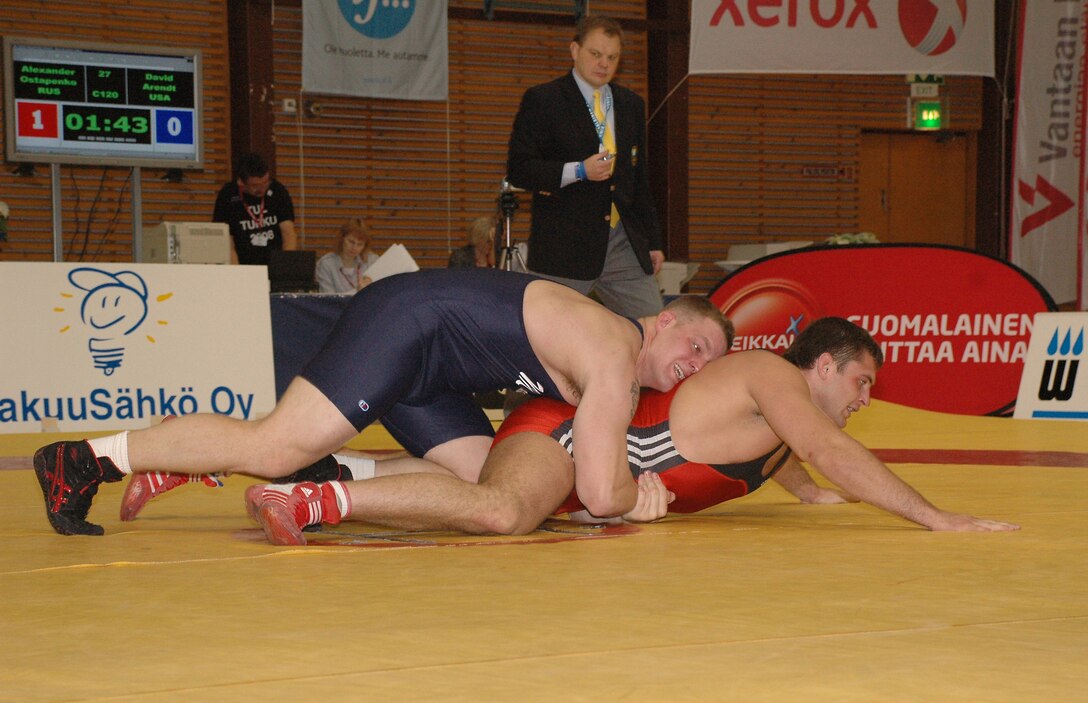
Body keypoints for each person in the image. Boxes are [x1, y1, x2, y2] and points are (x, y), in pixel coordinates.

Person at [33, 268, 732, 537]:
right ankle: (84, 457)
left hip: (432, 368)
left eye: (708, 365)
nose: (694, 366)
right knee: (277, 441)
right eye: (697, 344)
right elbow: (596, 488)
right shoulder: (615, 350)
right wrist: (636, 499)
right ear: (665, 317)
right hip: (408, 324)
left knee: (491, 482)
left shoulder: (616, 353)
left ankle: (323, 478)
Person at [246, 318, 1018, 545]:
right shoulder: (778, 379)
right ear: (820, 364)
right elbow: (828, 445)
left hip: (589, 459)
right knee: (501, 511)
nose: (865, 400)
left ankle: (331, 472)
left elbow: (793, 456)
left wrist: (809, 494)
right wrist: (931, 514)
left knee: (488, 496)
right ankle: (314, 500)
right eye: (861, 382)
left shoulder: (780, 417)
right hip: (575, 436)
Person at [506, 15, 664, 318]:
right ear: (574, 50)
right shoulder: (544, 100)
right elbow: (520, 169)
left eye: (612, 57)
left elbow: (639, 179)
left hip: (623, 241)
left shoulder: (631, 105)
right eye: (596, 54)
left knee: (654, 327)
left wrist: (653, 242)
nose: (604, 63)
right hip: (566, 245)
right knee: (550, 335)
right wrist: (579, 171)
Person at [212, 152, 298, 266]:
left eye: (265, 183)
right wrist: (236, 272)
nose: (262, 189)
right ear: (241, 182)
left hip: (274, 263)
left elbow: (288, 233)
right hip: (243, 263)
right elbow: (227, 241)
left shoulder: (277, 190)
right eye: (255, 186)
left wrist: (284, 267)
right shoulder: (227, 195)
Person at [315, 217, 381, 294]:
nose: (354, 248)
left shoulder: (372, 261)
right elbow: (328, 299)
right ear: (342, 239)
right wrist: (358, 293)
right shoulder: (327, 264)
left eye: (360, 244)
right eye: (351, 242)